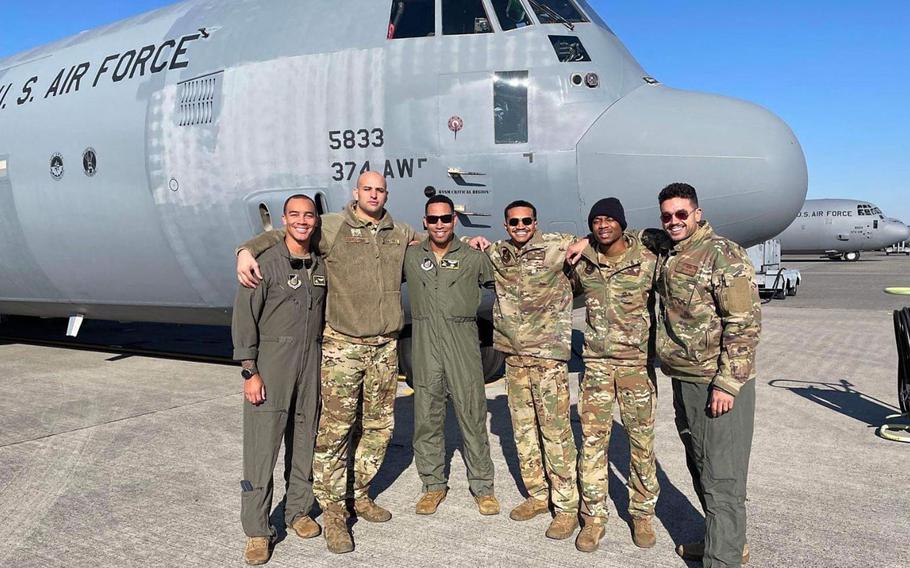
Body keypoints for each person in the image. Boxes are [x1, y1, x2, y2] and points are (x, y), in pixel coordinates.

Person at [235, 172, 419, 554]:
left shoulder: (396, 231)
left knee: (328, 435)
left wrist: (473, 242)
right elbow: (286, 238)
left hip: (354, 352)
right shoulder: (327, 230)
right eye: (366, 188)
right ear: (356, 193)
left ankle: (310, 508)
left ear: (386, 194)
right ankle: (262, 529)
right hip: (309, 356)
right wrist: (245, 248)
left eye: (379, 189)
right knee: (284, 444)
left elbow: (431, 240)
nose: (373, 194)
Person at [655, 182, 760, 567]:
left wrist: (728, 383)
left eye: (682, 214)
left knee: (723, 478)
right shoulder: (672, 249)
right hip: (685, 379)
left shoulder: (722, 254)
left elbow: (744, 322)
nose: (674, 221)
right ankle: (726, 541)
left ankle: (724, 559)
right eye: (667, 215)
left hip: (716, 383)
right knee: (700, 464)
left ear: (698, 213)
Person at [468, 200, 580, 540]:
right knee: (524, 432)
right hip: (514, 359)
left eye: (526, 220)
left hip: (547, 359)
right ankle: (537, 495)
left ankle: (566, 508)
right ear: (505, 225)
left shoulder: (555, 246)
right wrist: (470, 242)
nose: (520, 226)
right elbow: (463, 249)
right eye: (514, 221)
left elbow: (593, 241)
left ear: (535, 222)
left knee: (556, 434)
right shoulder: (499, 253)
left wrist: (586, 241)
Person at [232, 195, 326, 565]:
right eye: (295, 215)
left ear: (316, 220)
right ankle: (257, 530)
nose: (302, 221)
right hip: (271, 365)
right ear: (284, 219)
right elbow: (244, 320)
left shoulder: (319, 265)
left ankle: (298, 511)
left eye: (309, 215)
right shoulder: (263, 265)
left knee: (305, 440)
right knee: (261, 450)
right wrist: (249, 370)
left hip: (310, 364)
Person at [570, 198, 661, 552]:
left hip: (636, 367)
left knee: (641, 445)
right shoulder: (584, 262)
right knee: (592, 446)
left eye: (610, 219)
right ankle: (593, 518)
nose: (603, 225)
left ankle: (641, 513)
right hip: (596, 368)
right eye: (596, 221)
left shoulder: (648, 259)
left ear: (622, 223)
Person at [405, 195, 500, 516]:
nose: (440, 224)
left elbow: (506, 280)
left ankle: (483, 487)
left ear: (454, 220)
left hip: (462, 344)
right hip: (425, 343)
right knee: (427, 418)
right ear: (425, 222)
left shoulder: (473, 256)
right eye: (433, 219)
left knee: (472, 416)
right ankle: (433, 485)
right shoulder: (411, 257)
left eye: (445, 218)